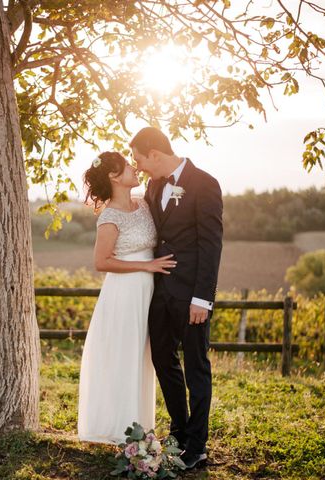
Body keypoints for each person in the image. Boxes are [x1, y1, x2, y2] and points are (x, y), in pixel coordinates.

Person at [131, 126, 223, 470]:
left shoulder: (205, 183)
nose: (139, 168)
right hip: (161, 293)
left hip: (192, 297)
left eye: (141, 160)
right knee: (163, 360)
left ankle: (197, 446)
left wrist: (203, 298)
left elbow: (211, 245)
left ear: (155, 154)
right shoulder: (154, 186)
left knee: (196, 366)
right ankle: (180, 431)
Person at [77, 151, 177, 444]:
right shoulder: (109, 216)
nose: (135, 168)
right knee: (124, 356)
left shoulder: (144, 204)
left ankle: (140, 425)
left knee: (142, 357)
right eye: (127, 166)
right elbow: (102, 262)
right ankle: (118, 426)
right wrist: (146, 266)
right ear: (113, 177)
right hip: (124, 293)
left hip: (149, 291)